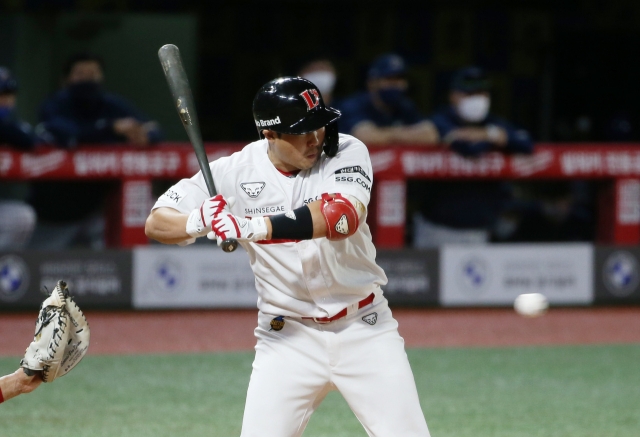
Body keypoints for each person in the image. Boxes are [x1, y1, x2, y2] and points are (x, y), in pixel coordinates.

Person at [145, 77, 431, 436]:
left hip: (365, 328)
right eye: (302, 131)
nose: (316, 139)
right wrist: (197, 220)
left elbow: (340, 217)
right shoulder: (231, 172)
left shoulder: (347, 150)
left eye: (319, 125)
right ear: (270, 136)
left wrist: (250, 226)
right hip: (286, 338)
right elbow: (156, 223)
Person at [28, 52, 163, 249]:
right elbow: (68, 135)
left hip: (95, 211)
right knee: (44, 269)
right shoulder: (55, 105)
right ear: (66, 80)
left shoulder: (110, 104)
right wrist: (111, 129)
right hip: (53, 214)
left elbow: (153, 128)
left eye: (93, 73)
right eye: (80, 74)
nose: (88, 79)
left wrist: (145, 135)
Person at [411, 66, 534, 247]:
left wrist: (488, 134)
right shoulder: (440, 120)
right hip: (437, 229)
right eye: (469, 93)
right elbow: (470, 149)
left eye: (481, 93)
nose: (477, 98)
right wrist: (493, 138)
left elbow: (526, 143)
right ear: (454, 96)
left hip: (479, 231)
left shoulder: (492, 123)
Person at [335, 53, 439, 145]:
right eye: (389, 79)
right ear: (372, 83)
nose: (396, 85)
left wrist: (386, 134)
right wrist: (408, 134)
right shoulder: (353, 105)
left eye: (399, 79)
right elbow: (365, 137)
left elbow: (431, 135)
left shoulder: (405, 106)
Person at [0, 66, 37, 250]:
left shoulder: (10, 124)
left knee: (22, 217)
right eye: (1, 94)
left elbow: (28, 140)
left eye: (8, 94)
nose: (5, 100)